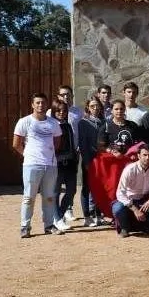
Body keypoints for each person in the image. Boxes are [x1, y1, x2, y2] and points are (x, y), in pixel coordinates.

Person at [13, 93, 65, 237]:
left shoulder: (53, 123)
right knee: (29, 197)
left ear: (47, 105)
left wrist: (48, 155)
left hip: (50, 165)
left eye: (43, 103)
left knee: (49, 197)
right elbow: (16, 144)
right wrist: (27, 155)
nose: (40, 105)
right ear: (32, 105)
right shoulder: (24, 121)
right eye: (38, 103)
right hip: (32, 165)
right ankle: (25, 227)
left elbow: (57, 143)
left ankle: (49, 225)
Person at [112, 143, 149, 238]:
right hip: (129, 201)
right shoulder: (129, 169)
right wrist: (134, 209)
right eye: (144, 155)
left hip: (144, 200)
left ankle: (146, 227)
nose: (147, 158)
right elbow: (120, 192)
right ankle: (125, 228)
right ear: (138, 156)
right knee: (117, 208)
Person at [78, 97, 105, 226]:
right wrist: (87, 161)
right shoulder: (83, 123)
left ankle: (98, 215)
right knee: (87, 187)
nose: (95, 108)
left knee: (100, 187)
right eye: (92, 106)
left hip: (102, 160)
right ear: (88, 108)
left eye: (97, 105)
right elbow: (83, 144)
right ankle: (87, 217)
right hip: (89, 159)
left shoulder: (104, 122)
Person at [52, 100, 80, 226]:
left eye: (64, 110)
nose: (61, 113)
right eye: (58, 110)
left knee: (71, 191)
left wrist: (74, 156)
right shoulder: (51, 125)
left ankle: (59, 215)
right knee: (56, 192)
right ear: (54, 111)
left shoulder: (68, 125)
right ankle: (57, 219)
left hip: (70, 162)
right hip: (56, 163)